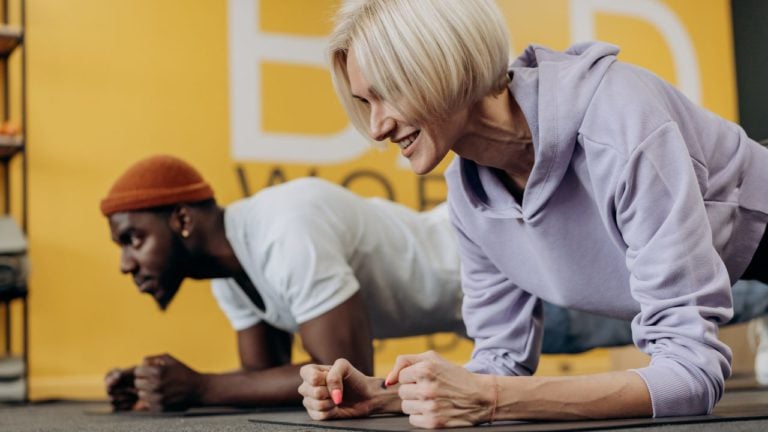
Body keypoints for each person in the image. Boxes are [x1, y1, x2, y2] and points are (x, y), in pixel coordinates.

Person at [298, 0, 768, 427]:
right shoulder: (469, 197)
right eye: (366, 102)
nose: (377, 126)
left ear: (441, 62)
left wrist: (491, 397)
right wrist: (386, 395)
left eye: (387, 93)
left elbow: (691, 375)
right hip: (728, 255)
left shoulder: (618, 121)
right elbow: (498, 364)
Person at [101, 154, 685, 411]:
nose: (127, 264)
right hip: (487, 323)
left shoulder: (283, 227)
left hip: (517, 279)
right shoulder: (228, 270)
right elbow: (261, 379)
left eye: (133, 239)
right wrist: (168, 387)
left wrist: (200, 388)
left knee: (711, 293)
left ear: (182, 221)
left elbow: (342, 378)